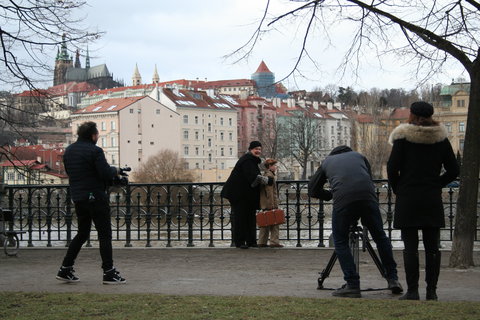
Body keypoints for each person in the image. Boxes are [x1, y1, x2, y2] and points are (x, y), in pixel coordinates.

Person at [308, 146, 402, 298]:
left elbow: (312, 189)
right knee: (380, 237)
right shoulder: (359, 156)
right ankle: (393, 279)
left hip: (344, 200)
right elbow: (367, 179)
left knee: (340, 240)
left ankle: (352, 284)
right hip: (368, 198)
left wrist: (329, 195)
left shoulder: (327, 161)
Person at [387, 101, 459, 301]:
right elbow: (454, 170)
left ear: (412, 115)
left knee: (410, 247)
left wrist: (398, 188)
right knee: (432, 248)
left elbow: (392, 168)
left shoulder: (402, 138)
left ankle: (412, 291)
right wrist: (437, 183)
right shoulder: (440, 138)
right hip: (431, 198)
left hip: (408, 198)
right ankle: (431, 291)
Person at [56, 121, 126, 284]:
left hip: (79, 197)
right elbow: (104, 172)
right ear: (93, 135)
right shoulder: (95, 151)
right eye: (97, 135)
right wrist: (116, 171)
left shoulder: (69, 151)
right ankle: (108, 272)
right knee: (104, 235)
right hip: (96, 197)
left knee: (82, 234)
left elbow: (73, 173)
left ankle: (65, 268)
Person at [221, 141, 270, 249]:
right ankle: (240, 242)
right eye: (256, 149)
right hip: (238, 195)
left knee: (248, 217)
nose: (258, 151)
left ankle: (250, 241)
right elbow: (253, 177)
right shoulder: (247, 160)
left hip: (244, 195)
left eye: (259, 149)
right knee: (241, 218)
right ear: (250, 150)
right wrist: (267, 180)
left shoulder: (250, 160)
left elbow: (253, 177)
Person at [258, 158, 283, 248]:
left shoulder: (265, 174)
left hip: (264, 203)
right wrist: (272, 205)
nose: (276, 167)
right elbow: (270, 192)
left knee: (265, 223)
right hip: (270, 203)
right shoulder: (270, 176)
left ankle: (262, 242)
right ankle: (274, 242)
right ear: (270, 166)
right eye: (274, 165)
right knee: (275, 223)